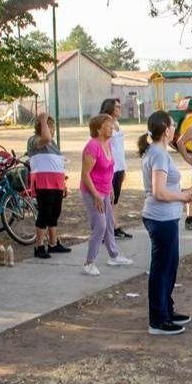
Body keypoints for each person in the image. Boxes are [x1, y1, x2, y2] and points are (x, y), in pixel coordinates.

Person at [139, 111, 192, 335]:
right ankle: (158, 320)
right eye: (172, 125)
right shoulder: (159, 155)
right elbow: (159, 192)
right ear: (165, 128)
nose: (175, 129)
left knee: (170, 266)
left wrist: (183, 192)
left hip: (167, 217)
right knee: (161, 269)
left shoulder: (159, 152)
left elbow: (164, 188)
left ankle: (167, 310)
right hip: (160, 218)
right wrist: (183, 196)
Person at [80, 113, 134, 276]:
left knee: (109, 223)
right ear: (98, 129)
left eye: (112, 126)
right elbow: (85, 174)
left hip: (104, 190)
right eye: (108, 126)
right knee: (100, 225)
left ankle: (114, 255)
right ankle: (89, 262)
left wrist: (110, 187)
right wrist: (96, 195)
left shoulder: (107, 144)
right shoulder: (92, 146)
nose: (112, 128)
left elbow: (109, 168)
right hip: (91, 192)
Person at [28, 112, 70, 259]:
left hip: (56, 182)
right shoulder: (35, 140)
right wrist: (44, 120)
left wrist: (63, 183)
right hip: (43, 181)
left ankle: (53, 243)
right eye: (50, 127)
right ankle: (39, 246)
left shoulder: (53, 143)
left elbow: (57, 162)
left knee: (55, 212)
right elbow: (45, 138)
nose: (52, 131)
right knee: (44, 213)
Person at [101, 98, 133, 239]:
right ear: (110, 108)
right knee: (108, 199)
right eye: (117, 107)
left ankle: (115, 226)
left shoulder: (118, 124)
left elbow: (120, 148)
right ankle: (105, 230)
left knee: (116, 199)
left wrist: (124, 168)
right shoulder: (105, 125)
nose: (120, 109)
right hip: (110, 168)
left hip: (119, 166)